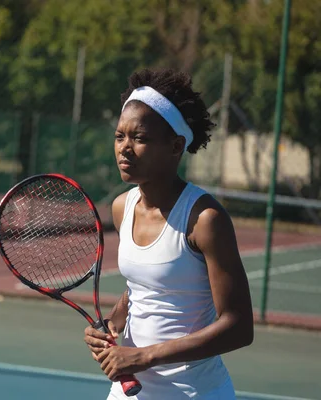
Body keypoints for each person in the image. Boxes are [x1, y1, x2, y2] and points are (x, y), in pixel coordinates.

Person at [83, 69, 254, 399]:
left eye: (140, 138)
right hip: (128, 390)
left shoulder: (205, 219)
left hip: (194, 392)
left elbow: (239, 327)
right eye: (120, 136)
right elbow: (144, 288)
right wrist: (111, 326)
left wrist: (144, 356)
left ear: (176, 146)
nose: (125, 148)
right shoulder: (123, 207)